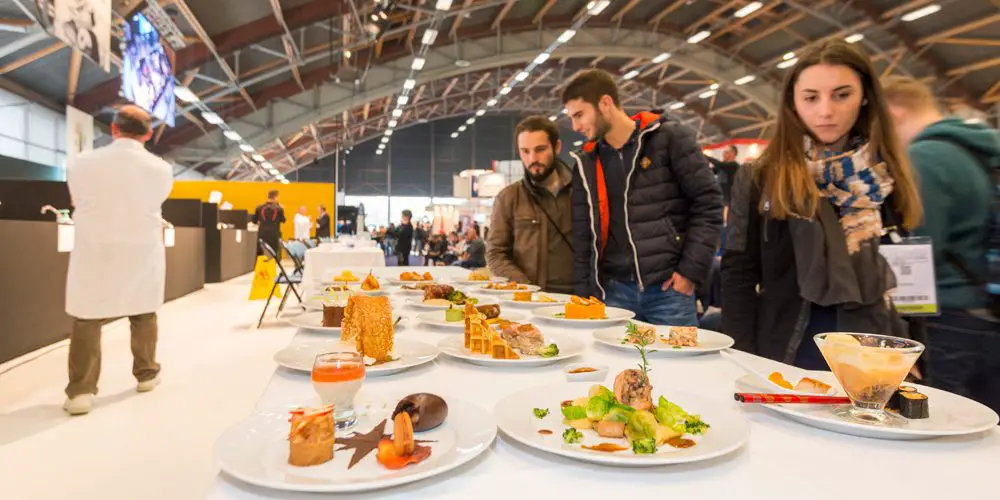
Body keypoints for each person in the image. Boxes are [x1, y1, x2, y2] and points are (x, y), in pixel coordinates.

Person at [721, 40, 924, 368]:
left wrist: (918, 353)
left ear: (865, 96)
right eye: (811, 97)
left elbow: (912, 270)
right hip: (787, 354)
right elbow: (738, 275)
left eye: (842, 95)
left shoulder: (888, 175)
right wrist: (738, 361)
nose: (826, 111)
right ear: (793, 101)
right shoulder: (760, 176)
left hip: (876, 357)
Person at [562, 68, 723, 325]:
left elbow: (709, 204)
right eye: (571, 118)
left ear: (605, 103)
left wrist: (689, 273)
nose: (575, 126)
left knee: (680, 365)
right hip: (613, 294)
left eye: (579, 115)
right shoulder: (586, 162)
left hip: (669, 292)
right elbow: (583, 236)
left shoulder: (669, 138)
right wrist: (585, 297)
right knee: (619, 366)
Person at [883, 76, 1000, 412]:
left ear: (894, 114)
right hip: (988, 311)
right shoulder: (984, 148)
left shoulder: (926, 157)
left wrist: (901, 336)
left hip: (946, 319)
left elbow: (914, 252)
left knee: (937, 418)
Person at [63, 105, 173, 415]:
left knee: (87, 316)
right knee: (143, 311)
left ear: (113, 129)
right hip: (140, 248)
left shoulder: (82, 162)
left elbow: (76, 200)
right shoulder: (161, 168)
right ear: (149, 134)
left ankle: (81, 392)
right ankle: (147, 373)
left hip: (94, 249)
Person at [487, 115, 574, 294]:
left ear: (557, 147)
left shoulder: (583, 192)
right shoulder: (508, 198)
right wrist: (526, 289)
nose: (532, 158)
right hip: (530, 301)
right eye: (525, 151)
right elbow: (495, 254)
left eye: (540, 149)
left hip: (579, 299)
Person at [253, 190, 286, 258]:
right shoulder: (279, 209)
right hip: (273, 235)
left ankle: (261, 268)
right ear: (275, 197)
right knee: (272, 254)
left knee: (261, 254)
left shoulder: (259, 208)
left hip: (262, 234)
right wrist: (282, 209)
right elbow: (283, 220)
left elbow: (254, 221)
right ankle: (271, 267)